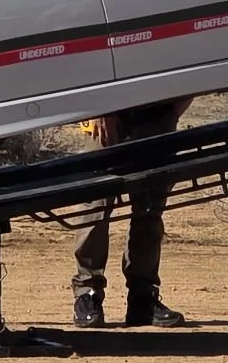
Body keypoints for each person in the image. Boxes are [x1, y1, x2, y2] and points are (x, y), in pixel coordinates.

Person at [71, 98, 192, 328]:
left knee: (149, 211)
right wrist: (100, 107)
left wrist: (175, 109)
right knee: (95, 209)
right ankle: (87, 294)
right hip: (106, 116)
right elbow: (89, 62)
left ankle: (143, 299)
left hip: (157, 117)